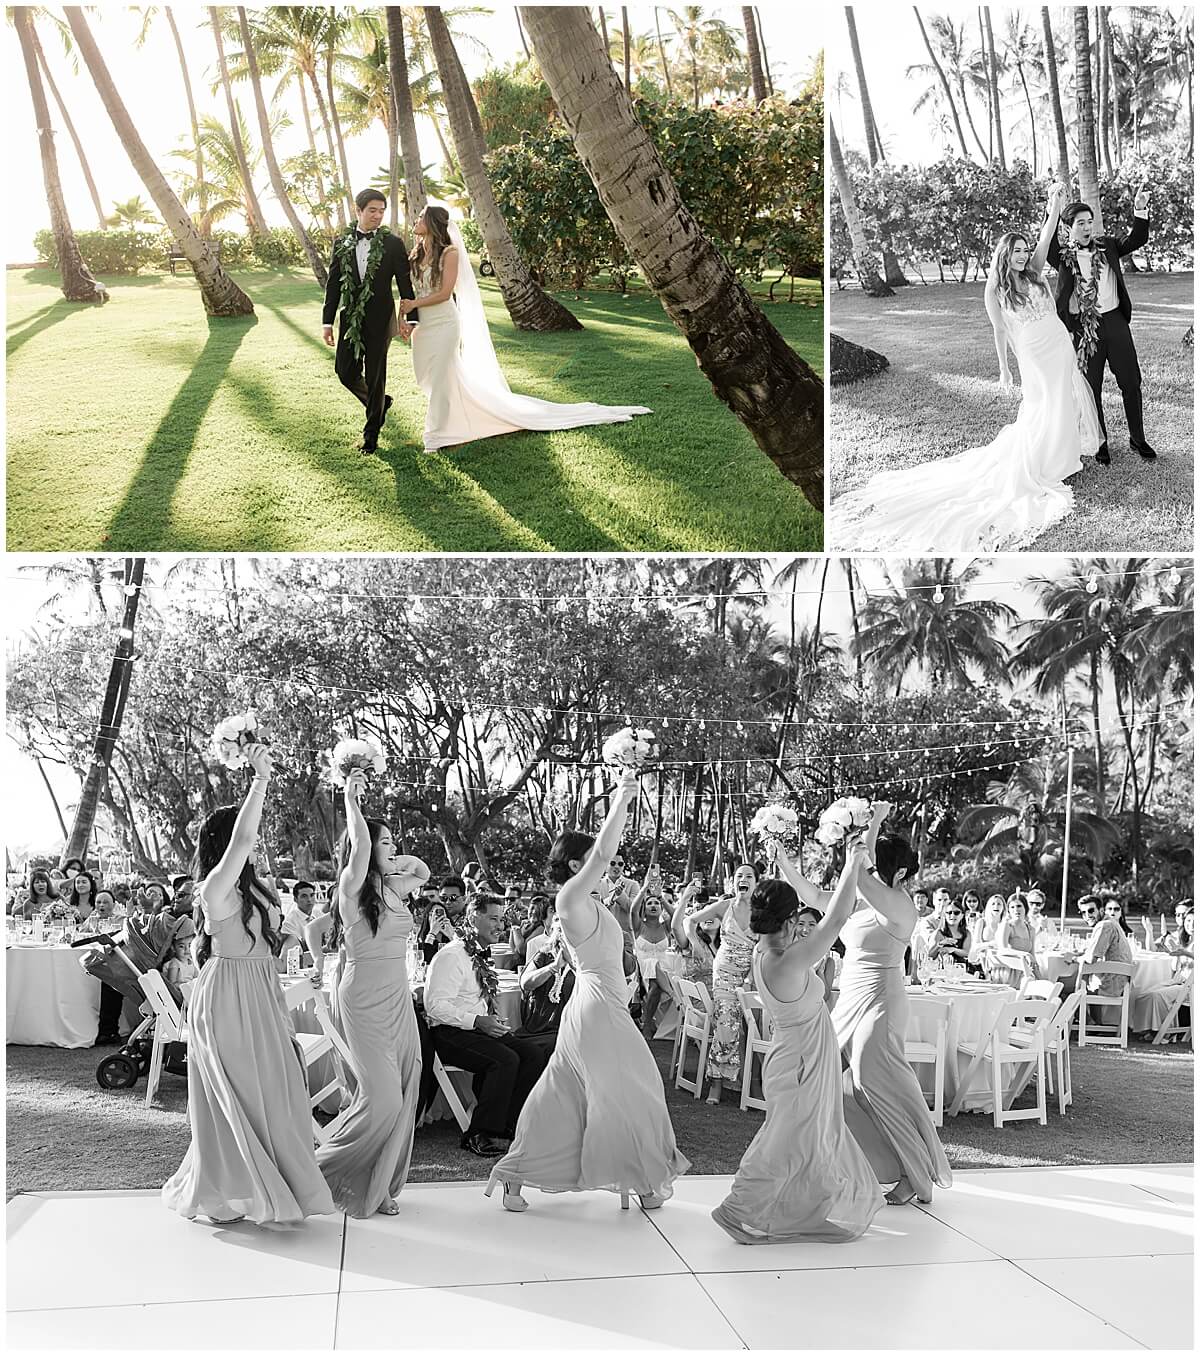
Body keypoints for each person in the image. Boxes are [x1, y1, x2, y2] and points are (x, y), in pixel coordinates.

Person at [830, 180, 1102, 552]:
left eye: (1025, 250)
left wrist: (1054, 207)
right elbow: (1000, 332)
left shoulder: (1035, 274)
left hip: (1060, 345)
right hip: (1035, 354)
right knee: (1043, 405)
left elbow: (1047, 236)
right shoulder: (995, 290)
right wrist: (1005, 369)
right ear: (1005, 255)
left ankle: (1064, 457)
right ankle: (1045, 464)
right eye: (1017, 251)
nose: (1024, 256)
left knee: (1065, 401)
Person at [485, 768, 688, 1213]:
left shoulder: (593, 902)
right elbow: (605, 851)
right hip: (597, 1008)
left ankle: (517, 1176)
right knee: (630, 1090)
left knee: (565, 1094)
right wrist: (623, 797)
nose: (607, 863)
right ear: (577, 866)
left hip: (599, 1004)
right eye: (595, 859)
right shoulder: (569, 900)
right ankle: (641, 1180)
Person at [162, 745, 335, 1226]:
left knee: (277, 1090)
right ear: (227, 840)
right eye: (246, 835)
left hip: (260, 990)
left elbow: (269, 937)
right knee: (239, 1097)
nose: (254, 844)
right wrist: (259, 781)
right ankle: (236, 1191)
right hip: (226, 999)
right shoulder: (213, 886)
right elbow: (241, 844)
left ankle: (279, 1187)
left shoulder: (256, 887)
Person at [776, 807, 952, 1206]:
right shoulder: (861, 900)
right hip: (849, 998)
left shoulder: (902, 906)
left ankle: (915, 1173)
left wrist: (860, 835)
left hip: (881, 1002)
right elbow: (814, 897)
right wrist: (784, 860)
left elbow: (863, 873)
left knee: (877, 1088)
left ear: (900, 874)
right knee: (826, 1083)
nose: (866, 867)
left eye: (874, 864)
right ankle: (835, 1165)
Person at [712, 845, 883, 1245]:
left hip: (800, 1055)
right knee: (785, 1140)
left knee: (810, 1139)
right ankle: (737, 1210)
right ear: (789, 920)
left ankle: (806, 1209)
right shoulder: (785, 960)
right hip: (801, 1062)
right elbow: (838, 916)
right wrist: (851, 864)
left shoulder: (766, 951)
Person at [398, 203, 651, 454]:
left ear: (432, 223)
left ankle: (436, 435)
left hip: (444, 325)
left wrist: (413, 304)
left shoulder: (449, 253)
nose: (416, 219)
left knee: (442, 378)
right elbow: (410, 291)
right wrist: (407, 317)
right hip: (424, 326)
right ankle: (462, 416)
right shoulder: (416, 253)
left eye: (421, 216)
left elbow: (445, 293)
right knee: (426, 378)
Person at [315, 771, 429, 1218]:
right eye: (387, 844)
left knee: (404, 1087)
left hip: (398, 997)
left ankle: (376, 1183)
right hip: (363, 998)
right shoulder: (350, 888)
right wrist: (350, 800)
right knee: (383, 1098)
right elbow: (360, 849)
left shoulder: (394, 886)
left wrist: (396, 861)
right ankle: (316, 1172)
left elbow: (420, 869)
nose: (392, 849)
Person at [424, 895, 548, 1156]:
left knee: (533, 1055)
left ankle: (507, 1122)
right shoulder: (451, 956)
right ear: (472, 918)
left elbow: (474, 999)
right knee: (504, 1060)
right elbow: (435, 1006)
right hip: (448, 1033)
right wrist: (478, 1021)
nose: (500, 926)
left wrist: (488, 1020)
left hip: (476, 1028)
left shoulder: (476, 954)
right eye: (493, 919)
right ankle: (478, 1133)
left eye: (501, 920)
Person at [1046, 189, 1155, 464]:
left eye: (1089, 222)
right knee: (1091, 387)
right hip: (1085, 329)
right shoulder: (1062, 257)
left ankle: (1138, 439)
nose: (1086, 227)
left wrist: (1140, 209)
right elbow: (1045, 245)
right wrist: (1052, 206)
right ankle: (1100, 442)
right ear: (1068, 228)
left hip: (1116, 322)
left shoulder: (1107, 245)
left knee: (1131, 382)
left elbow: (1137, 239)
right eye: (1079, 223)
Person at [321, 188, 417, 456]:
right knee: (345, 371)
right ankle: (379, 403)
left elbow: (405, 284)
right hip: (350, 318)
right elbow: (333, 286)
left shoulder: (393, 244)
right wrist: (327, 323)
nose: (377, 215)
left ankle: (371, 434)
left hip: (379, 319)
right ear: (358, 211)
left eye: (381, 211)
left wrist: (411, 319)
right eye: (372, 210)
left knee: (376, 375)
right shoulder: (342, 243)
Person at [685, 861, 760, 1105]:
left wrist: (752, 975)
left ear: (756, 883)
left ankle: (754, 1084)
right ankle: (716, 1082)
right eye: (739, 875)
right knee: (727, 1023)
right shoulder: (724, 906)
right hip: (725, 975)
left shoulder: (762, 910)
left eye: (749, 876)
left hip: (753, 975)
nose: (744, 879)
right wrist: (696, 944)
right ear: (733, 882)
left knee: (759, 1025)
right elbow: (690, 921)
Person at [518, 905, 576, 1056]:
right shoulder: (544, 955)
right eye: (562, 931)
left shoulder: (585, 960)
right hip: (538, 1027)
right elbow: (526, 983)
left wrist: (573, 965)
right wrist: (553, 967)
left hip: (570, 1028)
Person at [1132, 907, 1193, 1039]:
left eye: (1195, 921)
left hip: (1191, 988)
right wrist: (1175, 954)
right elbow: (1175, 967)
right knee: (1144, 994)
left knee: (1156, 996)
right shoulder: (1186, 941)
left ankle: (1164, 1033)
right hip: (1178, 982)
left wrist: (1185, 953)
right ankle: (1151, 1029)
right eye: (1188, 921)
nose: (1191, 925)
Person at [990, 894, 1038, 987]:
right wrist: (1024, 954)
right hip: (1009, 971)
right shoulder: (1007, 926)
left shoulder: (1031, 929)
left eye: (1019, 906)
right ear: (1008, 910)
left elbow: (1033, 956)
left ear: (1025, 908)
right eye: (1012, 907)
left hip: (1026, 971)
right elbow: (1002, 950)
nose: (1016, 910)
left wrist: (1041, 979)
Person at [509, 892, 552, 964]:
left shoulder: (541, 928)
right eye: (531, 908)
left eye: (538, 909)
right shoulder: (524, 924)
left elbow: (523, 950)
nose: (534, 912)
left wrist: (515, 926)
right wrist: (513, 927)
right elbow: (513, 947)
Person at [969, 894, 1007, 974]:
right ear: (988, 906)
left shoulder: (1006, 924)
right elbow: (975, 946)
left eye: (999, 904)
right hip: (984, 963)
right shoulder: (982, 922)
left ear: (1003, 907)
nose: (996, 906)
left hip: (1003, 964)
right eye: (993, 904)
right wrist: (991, 944)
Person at [926, 901, 971, 966]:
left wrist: (952, 949)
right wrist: (940, 944)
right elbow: (930, 956)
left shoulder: (966, 933)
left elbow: (966, 953)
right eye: (949, 913)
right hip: (942, 970)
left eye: (956, 913)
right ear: (944, 915)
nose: (952, 915)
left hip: (961, 969)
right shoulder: (939, 932)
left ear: (962, 915)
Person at [281, 880, 319, 958]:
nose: (309, 899)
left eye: (312, 895)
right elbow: (297, 951)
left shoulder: (319, 914)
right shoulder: (289, 923)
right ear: (295, 899)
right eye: (304, 896)